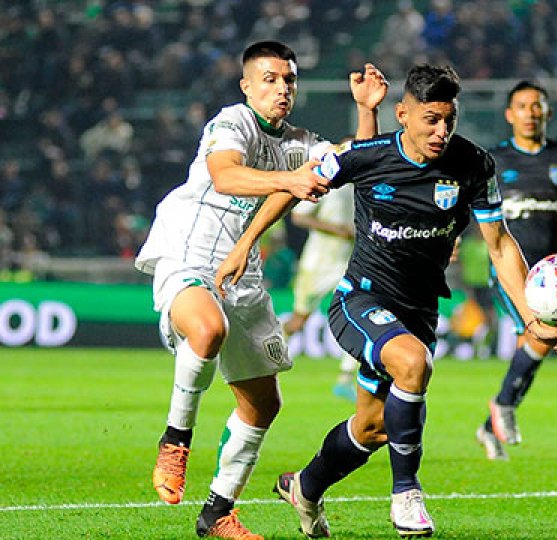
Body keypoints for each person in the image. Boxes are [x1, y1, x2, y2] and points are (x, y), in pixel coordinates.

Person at [214, 64, 557, 539]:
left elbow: (500, 244)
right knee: (412, 363)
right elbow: (297, 183)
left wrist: (532, 319)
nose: (441, 131)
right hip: (359, 300)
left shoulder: (474, 164)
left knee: (372, 428)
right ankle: (407, 494)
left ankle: (306, 486)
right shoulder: (367, 155)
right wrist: (245, 243)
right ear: (402, 114)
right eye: (430, 120)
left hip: (419, 310)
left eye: (449, 119)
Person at [134, 41, 387, 539]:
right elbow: (225, 176)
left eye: (288, 80)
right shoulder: (232, 123)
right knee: (207, 330)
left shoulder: (299, 142)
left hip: (243, 268)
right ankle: (175, 438)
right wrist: (291, 180)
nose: (281, 89)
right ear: (247, 85)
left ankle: (217, 513)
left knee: (262, 404)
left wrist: (365, 112)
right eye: (269, 79)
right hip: (190, 250)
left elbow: (355, 163)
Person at [476, 80, 557, 461]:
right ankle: (502, 406)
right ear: (509, 114)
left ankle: (492, 421)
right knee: (541, 336)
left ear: (548, 112)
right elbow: (467, 206)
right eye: (522, 106)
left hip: (556, 278)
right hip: (511, 271)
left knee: (534, 345)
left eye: (537, 106)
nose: (530, 113)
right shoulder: (493, 161)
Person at [283, 181, 360, 401]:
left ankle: (345, 379)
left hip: (348, 262)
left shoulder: (366, 181)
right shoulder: (330, 180)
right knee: (298, 321)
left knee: (356, 316)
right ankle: (267, 357)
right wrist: (337, 230)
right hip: (317, 264)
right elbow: (299, 216)